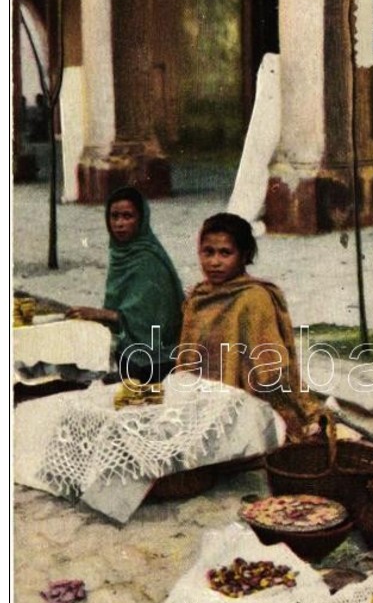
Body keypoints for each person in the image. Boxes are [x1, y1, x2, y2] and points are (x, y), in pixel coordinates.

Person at [176, 212, 323, 440]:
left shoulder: (253, 298)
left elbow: (271, 368)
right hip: (201, 406)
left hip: (248, 409)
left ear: (244, 255)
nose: (214, 262)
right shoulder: (198, 298)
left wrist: (300, 411)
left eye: (225, 253)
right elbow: (188, 361)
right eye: (208, 252)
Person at [66, 186, 184, 382]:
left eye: (127, 216)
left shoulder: (148, 259)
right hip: (128, 344)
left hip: (155, 357)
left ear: (141, 219)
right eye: (114, 216)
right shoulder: (120, 253)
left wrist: (103, 314)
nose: (119, 224)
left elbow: (151, 323)